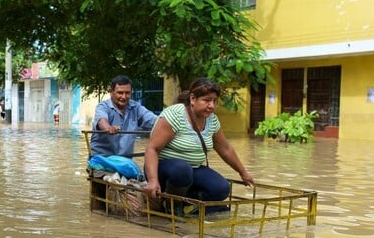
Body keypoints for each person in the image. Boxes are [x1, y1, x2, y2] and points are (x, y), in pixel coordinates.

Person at [143, 77, 254, 214]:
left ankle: (188, 204)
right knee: (182, 169)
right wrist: (153, 180)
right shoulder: (175, 115)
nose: (212, 106)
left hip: (192, 169)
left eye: (214, 101)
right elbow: (152, 149)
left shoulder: (211, 119)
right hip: (163, 170)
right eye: (207, 100)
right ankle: (172, 205)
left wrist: (243, 172)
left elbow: (225, 148)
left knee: (222, 188)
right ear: (193, 99)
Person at [89, 75, 158, 157]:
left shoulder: (136, 107)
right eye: (120, 93)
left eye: (127, 93)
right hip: (102, 160)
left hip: (125, 161)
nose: (124, 97)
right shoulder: (103, 106)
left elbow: (154, 120)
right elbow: (101, 120)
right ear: (111, 92)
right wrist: (108, 128)